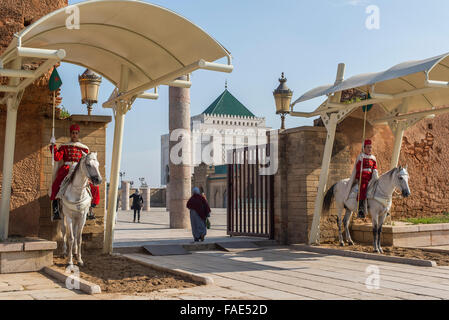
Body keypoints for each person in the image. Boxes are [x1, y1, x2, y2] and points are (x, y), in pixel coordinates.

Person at [49, 124, 100, 220]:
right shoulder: (64, 146)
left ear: (78, 134)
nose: (74, 135)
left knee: (93, 185)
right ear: (70, 134)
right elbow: (57, 157)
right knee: (56, 183)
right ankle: (55, 209)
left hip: (79, 168)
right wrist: (53, 146)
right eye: (73, 133)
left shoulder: (84, 148)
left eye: (76, 133)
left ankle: (91, 209)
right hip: (67, 167)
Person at [344, 139, 378, 219]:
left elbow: (374, 167)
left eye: (371, 147)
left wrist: (375, 173)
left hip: (371, 178)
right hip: (363, 178)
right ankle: (361, 210)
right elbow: (358, 168)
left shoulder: (373, 158)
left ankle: (380, 207)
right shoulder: (361, 156)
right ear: (364, 148)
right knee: (362, 189)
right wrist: (361, 174)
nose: (370, 149)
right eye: (368, 147)